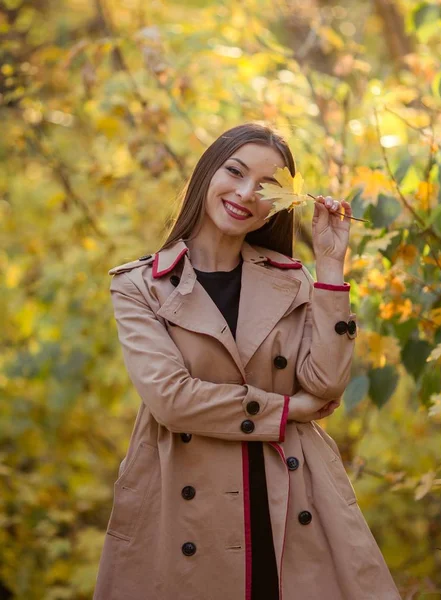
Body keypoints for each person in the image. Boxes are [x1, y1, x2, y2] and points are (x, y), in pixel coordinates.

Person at [94, 123, 400, 600]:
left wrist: (331, 267)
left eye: (266, 187)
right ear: (206, 174)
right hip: (185, 510)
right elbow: (172, 401)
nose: (245, 194)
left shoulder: (292, 280)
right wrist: (286, 410)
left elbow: (325, 384)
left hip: (291, 497)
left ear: (279, 205)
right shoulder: (139, 286)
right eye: (234, 172)